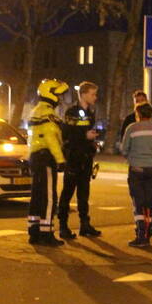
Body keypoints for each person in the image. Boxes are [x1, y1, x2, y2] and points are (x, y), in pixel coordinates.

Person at [27, 78, 69, 247]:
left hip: (36, 157)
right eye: (59, 95)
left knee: (37, 195)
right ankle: (46, 233)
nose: (60, 98)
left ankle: (34, 231)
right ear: (51, 95)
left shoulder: (36, 110)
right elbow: (51, 138)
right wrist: (60, 160)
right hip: (46, 158)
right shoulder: (48, 113)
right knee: (50, 197)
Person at [120, 90, 152, 232]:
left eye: (142, 101)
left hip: (140, 166)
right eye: (138, 101)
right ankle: (146, 226)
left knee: (141, 198)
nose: (140, 103)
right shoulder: (131, 120)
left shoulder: (138, 124)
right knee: (146, 198)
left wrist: (130, 159)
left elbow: (123, 147)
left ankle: (142, 229)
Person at [57, 81, 101, 239]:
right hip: (74, 157)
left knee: (84, 193)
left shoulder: (91, 112)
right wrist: (85, 136)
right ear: (83, 94)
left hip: (86, 157)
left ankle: (85, 225)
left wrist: (93, 142)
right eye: (92, 94)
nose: (95, 97)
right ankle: (63, 226)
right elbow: (66, 134)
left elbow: (89, 131)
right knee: (68, 192)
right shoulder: (71, 112)